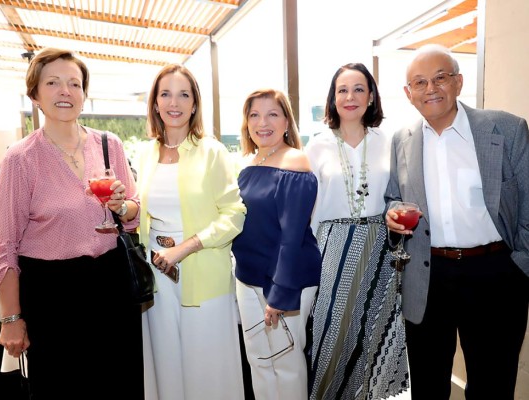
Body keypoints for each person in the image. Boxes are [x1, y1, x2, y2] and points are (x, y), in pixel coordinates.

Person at [0, 48, 143, 399]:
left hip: (111, 285)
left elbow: (134, 217)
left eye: (74, 84)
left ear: (84, 93)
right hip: (52, 294)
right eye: (53, 83)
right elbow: (5, 244)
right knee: (61, 386)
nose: (65, 91)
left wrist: (122, 207)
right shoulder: (20, 158)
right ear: (35, 94)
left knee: (118, 383)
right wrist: (11, 318)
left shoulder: (110, 145)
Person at [385, 44, 529, 400]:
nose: (430, 88)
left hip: (496, 273)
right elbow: (393, 198)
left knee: (492, 384)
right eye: (419, 82)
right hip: (428, 274)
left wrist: (519, 267)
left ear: (459, 82)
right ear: (408, 93)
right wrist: (392, 217)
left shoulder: (506, 129)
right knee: (429, 383)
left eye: (440, 78)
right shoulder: (402, 141)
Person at [138, 63, 246, 400]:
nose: (174, 102)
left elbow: (235, 214)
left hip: (202, 272)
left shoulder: (211, 151)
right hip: (157, 278)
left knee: (207, 370)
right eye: (166, 94)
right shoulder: (145, 154)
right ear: (155, 103)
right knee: (166, 364)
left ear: (195, 103)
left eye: (184, 94)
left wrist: (183, 249)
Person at [304, 63, 409, 400]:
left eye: (358, 89)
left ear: (371, 96)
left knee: (373, 339)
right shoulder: (317, 146)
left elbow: (398, 195)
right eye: (342, 90)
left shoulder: (389, 141)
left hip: (381, 250)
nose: (350, 97)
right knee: (331, 336)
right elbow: (307, 210)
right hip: (331, 251)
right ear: (333, 99)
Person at [232, 88, 322, 400]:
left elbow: (292, 236)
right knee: (258, 360)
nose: (262, 122)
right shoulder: (249, 162)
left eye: (272, 114)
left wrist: (281, 293)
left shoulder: (295, 161)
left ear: (286, 121)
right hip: (248, 277)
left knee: (286, 361)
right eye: (254, 115)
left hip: (286, 279)